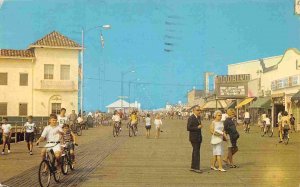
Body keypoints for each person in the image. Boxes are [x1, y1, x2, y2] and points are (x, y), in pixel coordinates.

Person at [187, 106, 203, 173]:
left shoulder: (198, 117)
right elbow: (188, 128)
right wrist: (197, 127)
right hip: (194, 137)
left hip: (198, 137)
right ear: (193, 111)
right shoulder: (191, 118)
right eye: (198, 110)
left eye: (200, 110)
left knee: (195, 152)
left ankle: (193, 167)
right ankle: (196, 168)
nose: (199, 111)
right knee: (196, 152)